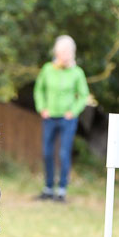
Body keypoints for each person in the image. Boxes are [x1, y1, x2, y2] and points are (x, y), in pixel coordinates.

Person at [33, 35, 89, 202]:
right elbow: (39, 90)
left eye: (68, 51)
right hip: (49, 117)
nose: (65, 55)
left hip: (67, 119)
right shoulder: (47, 69)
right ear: (56, 52)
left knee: (64, 154)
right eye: (62, 51)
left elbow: (83, 95)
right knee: (47, 153)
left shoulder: (77, 73)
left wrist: (74, 111)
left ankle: (62, 189)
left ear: (72, 53)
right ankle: (48, 188)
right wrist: (42, 107)